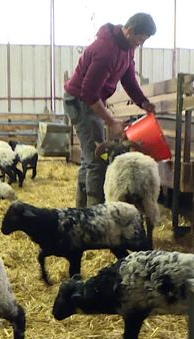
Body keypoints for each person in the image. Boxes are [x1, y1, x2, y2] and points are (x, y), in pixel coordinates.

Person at [63, 12, 157, 207]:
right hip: (81, 101)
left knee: (89, 158)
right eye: (140, 40)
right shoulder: (105, 50)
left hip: (91, 100)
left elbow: (129, 79)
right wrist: (111, 122)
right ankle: (94, 214)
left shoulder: (127, 48)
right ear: (130, 31)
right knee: (97, 160)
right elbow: (88, 93)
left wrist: (143, 102)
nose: (140, 45)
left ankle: (81, 210)